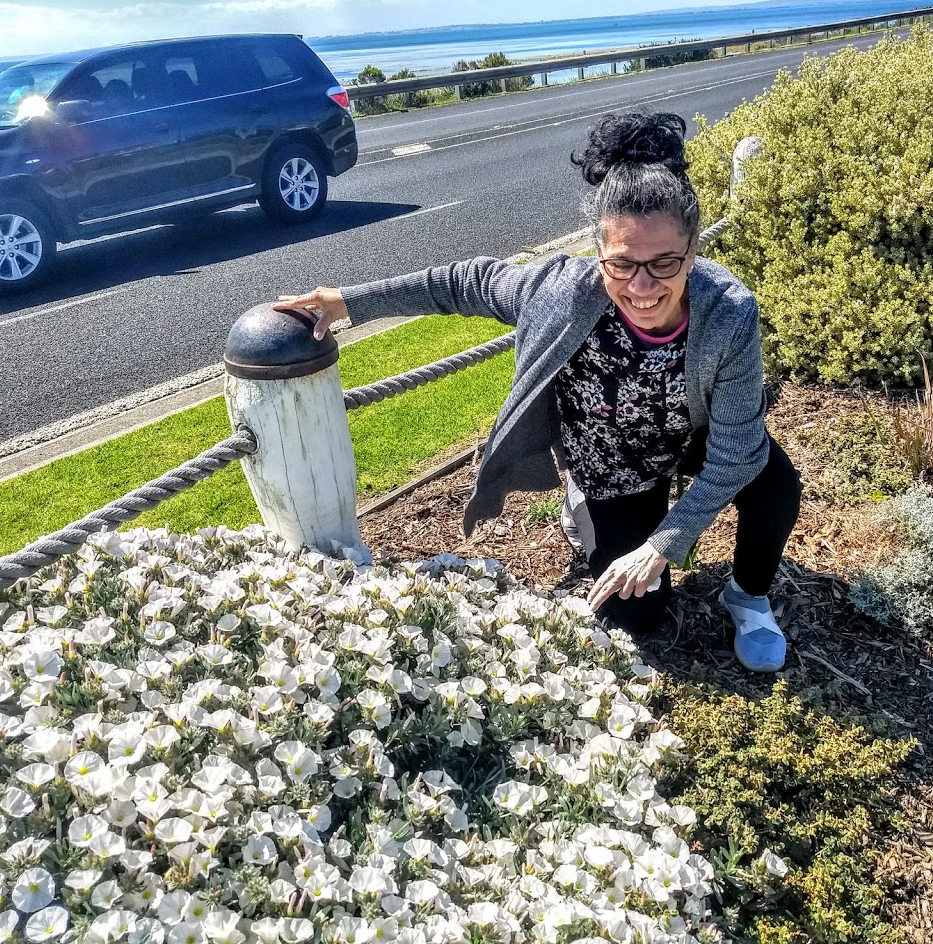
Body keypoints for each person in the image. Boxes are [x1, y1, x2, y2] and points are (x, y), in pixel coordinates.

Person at [273, 111, 802, 673]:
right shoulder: (560, 292)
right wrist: (349, 301)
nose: (642, 287)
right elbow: (463, 281)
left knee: (775, 485)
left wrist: (662, 544)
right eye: (621, 264)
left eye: (664, 262)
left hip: (690, 430)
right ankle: (585, 507)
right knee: (637, 614)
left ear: (693, 251)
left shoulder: (729, 311)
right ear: (598, 252)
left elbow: (734, 456)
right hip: (610, 457)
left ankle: (747, 596)